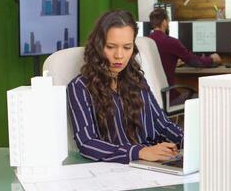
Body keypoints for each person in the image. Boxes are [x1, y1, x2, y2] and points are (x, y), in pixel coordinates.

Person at [67, 10, 183, 164]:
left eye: (127, 47)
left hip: (151, 165)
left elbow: (162, 126)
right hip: (115, 172)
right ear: (98, 46)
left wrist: (188, 141)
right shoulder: (79, 87)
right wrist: (140, 152)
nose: (119, 55)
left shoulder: (137, 80)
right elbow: (87, 143)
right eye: (111, 47)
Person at [148, 8, 222, 104]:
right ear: (164, 22)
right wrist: (212, 59)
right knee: (200, 98)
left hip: (151, 99)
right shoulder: (171, 42)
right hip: (168, 98)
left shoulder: (146, 42)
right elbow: (195, 62)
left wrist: (173, 62)